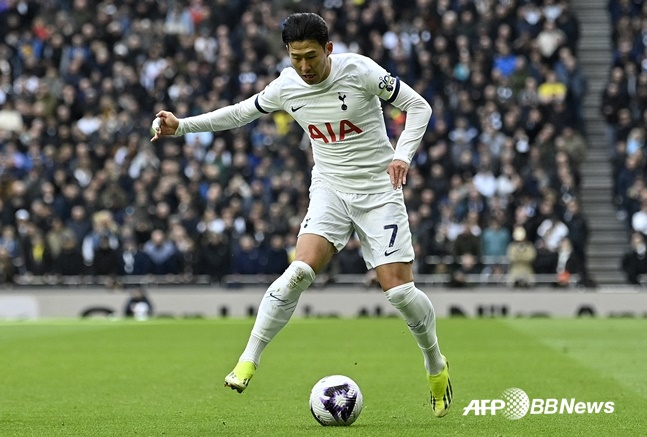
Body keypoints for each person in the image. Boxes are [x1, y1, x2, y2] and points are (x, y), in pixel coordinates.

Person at [151, 12, 452, 417]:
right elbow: (240, 113)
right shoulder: (287, 85)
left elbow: (419, 106)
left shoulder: (360, 71)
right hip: (329, 187)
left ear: (328, 49)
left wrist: (401, 156)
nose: (305, 67)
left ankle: (435, 364)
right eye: (296, 58)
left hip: (379, 190)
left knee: (398, 291)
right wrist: (181, 126)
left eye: (312, 56)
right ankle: (248, 359)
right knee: (299, 271)